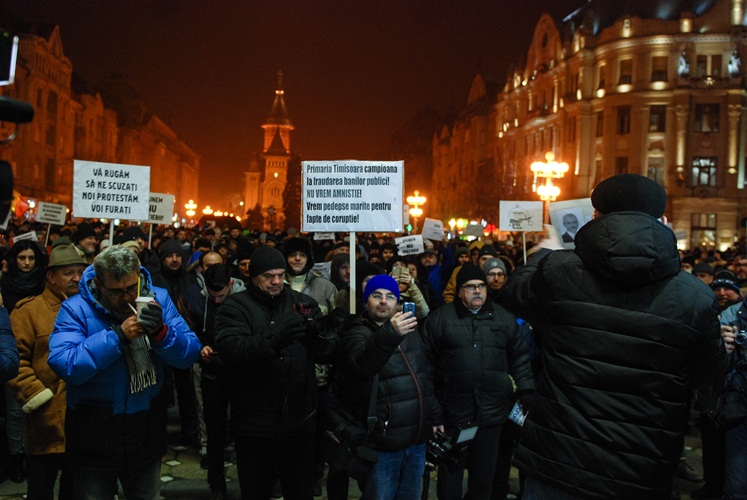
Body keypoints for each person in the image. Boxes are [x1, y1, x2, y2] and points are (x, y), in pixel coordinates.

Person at [505, 174, 726, 499]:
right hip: (642, 468)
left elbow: (514, 294)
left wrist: (545, 251)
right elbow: (708, 376)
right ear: (664, 222)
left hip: (561, 462)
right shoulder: (696, 297)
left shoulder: (559, 272)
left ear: (595, 217)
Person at [48, 245, 201, 500]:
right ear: (99, 283)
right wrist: (117, 337)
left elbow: (189, 354)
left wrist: (161, 333)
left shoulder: (159, 298)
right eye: (116, 291)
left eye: (132, 287)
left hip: (145, 425)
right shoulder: (76, 309)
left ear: (139, 276)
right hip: (94, 429)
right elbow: (65, 364)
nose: (127, 297)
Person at [214, 246, 338, 500]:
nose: (276, 281)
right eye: (269, 276)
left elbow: (327, 352)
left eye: (281, 275)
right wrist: (276, 337)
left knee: (300, 490)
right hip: (254, 422)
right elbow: (234, 351)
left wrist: (324, 335)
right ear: (253, 276)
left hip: (299, 419)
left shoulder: (301, 303)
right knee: (256, 490)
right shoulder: (235, 307)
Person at [422, 263, 534, 500]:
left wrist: (526, 389)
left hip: (491, 415)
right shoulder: (440, 319)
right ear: (459, 291)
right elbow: (426, 366)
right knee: (450, 474)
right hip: (454, 414)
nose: (477, 291)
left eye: (481, 286)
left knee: (483, 479)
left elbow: (519, 358)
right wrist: (434, 411)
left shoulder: (503, 319)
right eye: (470, 286)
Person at [335, 274, 435, 499]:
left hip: (416, 438)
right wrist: (391, 333)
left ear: (398, 303)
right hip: (383, 442)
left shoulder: (411, 331)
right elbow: (360, 365)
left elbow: (423, 376)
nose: (383, 301)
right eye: (376, 295)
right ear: (365, 302)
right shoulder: (356, 332)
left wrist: (435, 416)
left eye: (390, 296)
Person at [7, 244, 87, 500]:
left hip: (83, 415)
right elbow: (14, 361)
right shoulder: (29, 311)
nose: (76, 278)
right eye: (68, 273)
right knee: (41, 487)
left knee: (76, 488)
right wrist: (38, 396)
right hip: (46, 417)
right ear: (51, 277)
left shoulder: (90, 308)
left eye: (80, 272)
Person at [178, 263, 245, 500]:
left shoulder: (244, 298)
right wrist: (199, 347)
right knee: (214, 431)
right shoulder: (193, 298)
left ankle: (248, 482)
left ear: (230, 285)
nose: (216, 300)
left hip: (239, 372)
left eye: (221, 296)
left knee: (242, 428)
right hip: (210, 371)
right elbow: (185, 330)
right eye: (212, 296)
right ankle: (216, 484)